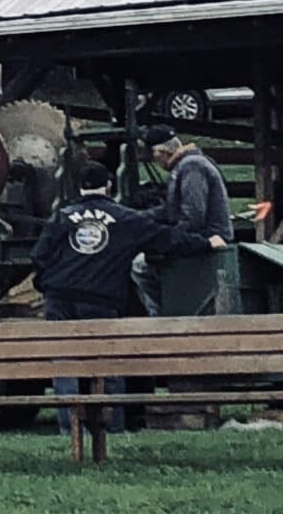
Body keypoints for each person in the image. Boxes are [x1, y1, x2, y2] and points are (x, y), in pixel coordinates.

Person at [33, 161, 227, 434]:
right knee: (108, 364)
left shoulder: (62, 216)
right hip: (101, 300)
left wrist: (45, 285)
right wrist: (206, 243)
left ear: (79, 187)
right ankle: (111, 428)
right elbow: (167, 239)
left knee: (65, 364)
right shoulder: (126, 220)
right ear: (109, 186)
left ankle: (71, 430)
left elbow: (39, 257)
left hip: (59, 298)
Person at [132, 129, 236, 315]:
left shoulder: (191, 166)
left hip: (208, 238)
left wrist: (169, 238)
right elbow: (170, 210)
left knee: (140, 267)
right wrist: (138, 218)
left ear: (163, 153)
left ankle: (162, 315)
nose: (155, 161)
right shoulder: (185, 165)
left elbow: (194, 215)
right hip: (200, 235)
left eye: (154, 156)